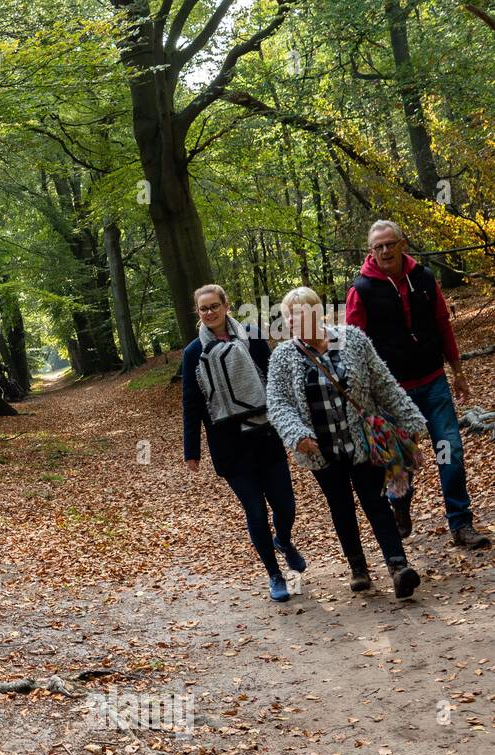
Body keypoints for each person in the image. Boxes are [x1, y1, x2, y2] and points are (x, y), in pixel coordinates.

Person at [267, 287, 428, 598]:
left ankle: (398, 566)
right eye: (288, 316)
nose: (293, 321)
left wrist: (411, 423)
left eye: (300, 313)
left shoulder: (351, 339)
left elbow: (383, 383)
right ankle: (358, 567)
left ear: (317, 313)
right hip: (321, 450)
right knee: (340, 506)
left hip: (361, 442)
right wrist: (296, 434)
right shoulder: (283, 357)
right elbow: (278, 403)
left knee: (376, 502)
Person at [345, 220, 489, 549]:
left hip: (433, 382)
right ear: (371, 251)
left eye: (390, 243)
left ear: (402, 244)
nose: (385, 250)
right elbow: (354, 346)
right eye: (378, 246)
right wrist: (363, 396)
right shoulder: (362, 290)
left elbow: (442, 323)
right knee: (401, 462)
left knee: (447, 450)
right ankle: (400, 504)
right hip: (393, 392)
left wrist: (458, 370)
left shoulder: (423, 278)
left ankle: (460, 522)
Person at [182, 284, 304, 602]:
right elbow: (191, 404)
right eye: (203, 308)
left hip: (265, 435)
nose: (209, 312)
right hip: (229, 445)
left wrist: (292, 424)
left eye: (214, 306)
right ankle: (274, 575)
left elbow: (274, 380)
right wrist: (191, 451)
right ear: (198, 312)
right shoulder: (194, 353)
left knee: (284, 505)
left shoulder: (252, 336)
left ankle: (285, 540)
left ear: (226, 305)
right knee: (255, 511)